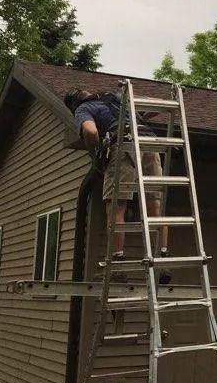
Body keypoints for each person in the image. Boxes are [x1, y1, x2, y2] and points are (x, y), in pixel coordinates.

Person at [64, 89, 170, 264]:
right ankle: (163, 257)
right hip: (150, 142)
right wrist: (136, 115)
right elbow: (157, 105)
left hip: (124, 143)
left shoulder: (82, 109)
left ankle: (117, 258)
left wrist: (96, 157)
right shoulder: (118, 99)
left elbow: (90, 132)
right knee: (155, 205)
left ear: (73, 105)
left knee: (116, 206)